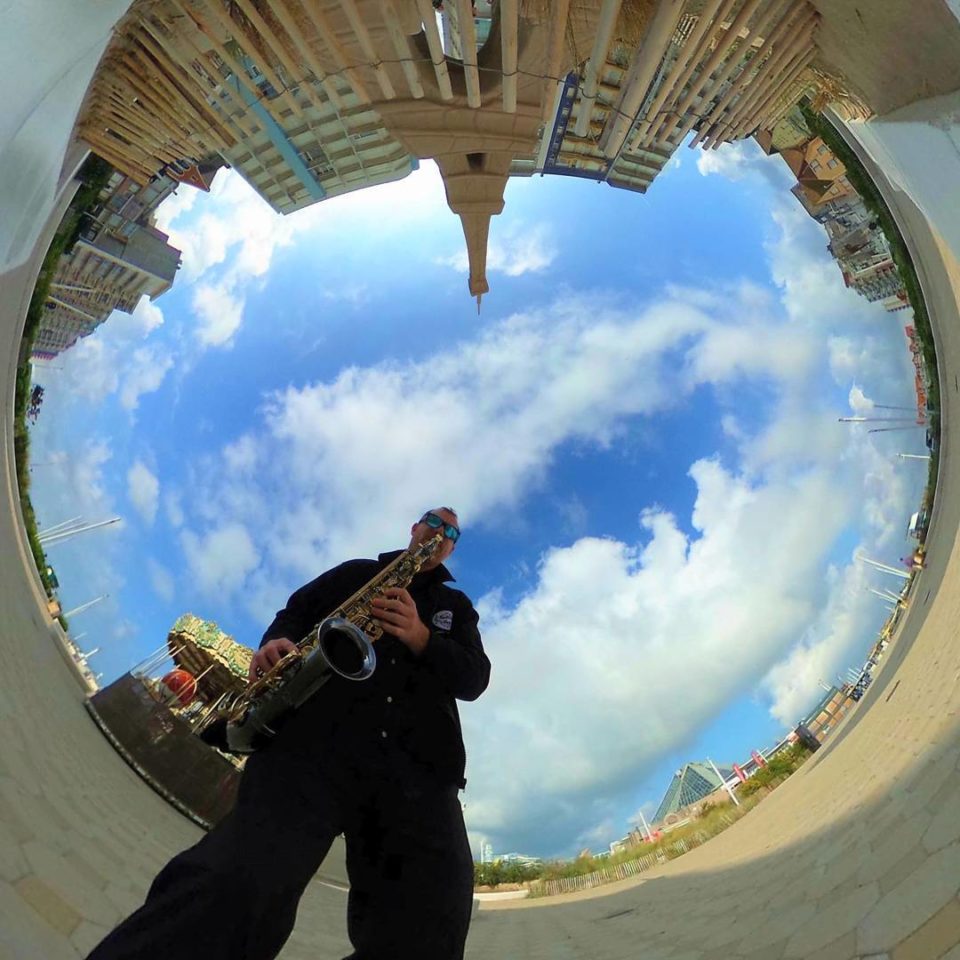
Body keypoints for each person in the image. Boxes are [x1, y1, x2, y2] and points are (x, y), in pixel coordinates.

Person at [87, 507, 490, 960]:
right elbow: (295, 612)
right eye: (433, 522)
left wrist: (421, 637)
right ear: (414, 529)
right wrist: (275, 641)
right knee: (235, 886)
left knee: (431, 931)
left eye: (450, 531)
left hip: (418, 774)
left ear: (453, 546)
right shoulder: (357, 573)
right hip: (313, 746)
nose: (439, 533)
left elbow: (475, 679)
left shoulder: (457, 609)